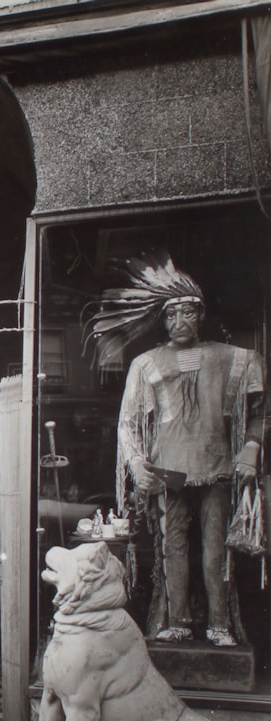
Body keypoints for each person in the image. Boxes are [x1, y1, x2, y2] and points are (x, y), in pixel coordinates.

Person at [90, 251, 265, 647]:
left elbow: (259, 412)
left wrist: (251, 449)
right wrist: (136, 461)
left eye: (187, 313)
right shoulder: (146, 364)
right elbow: (127, 422)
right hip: (168, 470)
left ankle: (220, 624)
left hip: (218, 465)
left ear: (201, 316)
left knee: (215, 549)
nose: (179, 322)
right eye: (171, 315)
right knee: (173, 549)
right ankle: (179, 621)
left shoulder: (235, 359)